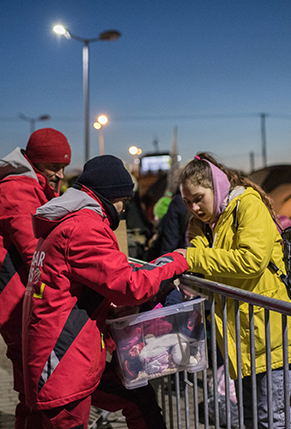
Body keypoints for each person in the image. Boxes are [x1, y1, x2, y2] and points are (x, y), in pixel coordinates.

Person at [23, 155, 188, 429]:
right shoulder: (83, 228)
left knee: (137, 397)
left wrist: (108, 306)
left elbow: (78, 287)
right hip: (63, 361)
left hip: (71, 355)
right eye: (126, 200)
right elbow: (129, 286)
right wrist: (175, 261)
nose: (124, 211)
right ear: (113, 197)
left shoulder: (71, 222)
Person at [177, 153, 291, 429]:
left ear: (216, 187)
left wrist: (191, 257)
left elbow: (250, 261)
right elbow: (201, 269)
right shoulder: (206, 224)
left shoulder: (248, 205)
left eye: (198, 198)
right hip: (242, 336)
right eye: (187, 202)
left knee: (273, 419)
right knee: (250, 418)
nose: (194, 208)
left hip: (272, 332)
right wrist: (195, 245)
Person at [0, 127, 71, 429]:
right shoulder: (18, 190)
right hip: (15, 301)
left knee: (34, 388)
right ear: (37, 161)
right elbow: (36, 251)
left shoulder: (33, 186)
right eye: (54, 166)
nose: (59, 174)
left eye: (63, 167)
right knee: (35, 389)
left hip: (22, 298)